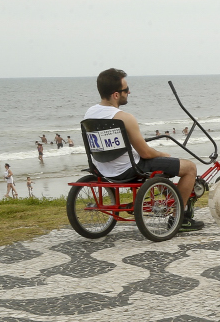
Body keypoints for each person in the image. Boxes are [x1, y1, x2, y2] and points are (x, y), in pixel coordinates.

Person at [84, 68, 201, 232]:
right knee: (190, 168)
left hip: (104, 170)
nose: (129, 92)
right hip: (129, 169)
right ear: (116, 95)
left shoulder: (89, 114)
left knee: (159, 165)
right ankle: (179, 218)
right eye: (126, 90)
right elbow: (146, 154)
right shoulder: (125, 118)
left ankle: (169, 195)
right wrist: (162, 154)